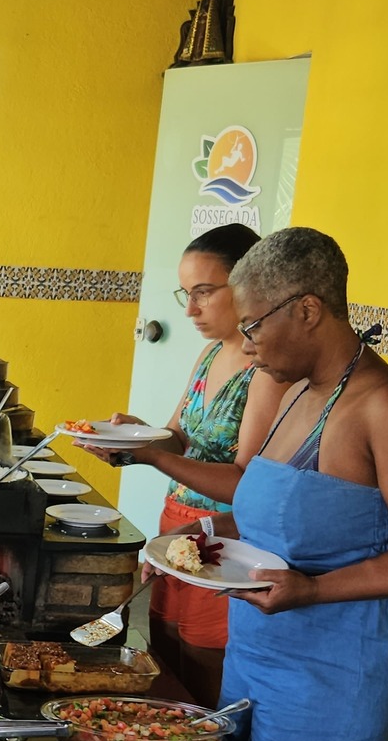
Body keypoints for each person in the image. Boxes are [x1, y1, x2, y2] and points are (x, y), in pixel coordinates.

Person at [223, 225, 388, 741]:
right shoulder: (295, 394)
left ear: (308, 310)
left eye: (253, 325)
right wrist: (199, 539)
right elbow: (278, 515)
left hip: (334, 677)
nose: (246, 345)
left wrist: (314, 590)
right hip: (255, 655)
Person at [83, 225, 286, 705]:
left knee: (201, 662)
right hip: (176, 525)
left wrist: (152, 455)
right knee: (164, 651)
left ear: (247, 286)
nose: (190, 309)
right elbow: (178, 437)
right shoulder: (211, 353)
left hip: (223, 538)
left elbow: (243, 484)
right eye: (186, 294)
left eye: (203, 292)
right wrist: (134, 437)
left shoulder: (265, 373)